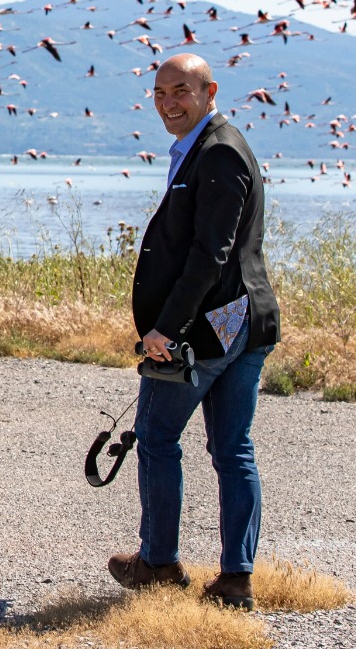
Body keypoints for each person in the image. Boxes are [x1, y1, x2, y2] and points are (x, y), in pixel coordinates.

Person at [107, 52, 280, 611]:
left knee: (158, 440)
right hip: (240, 323)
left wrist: (166, 329)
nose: (168, 103)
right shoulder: (208, 148)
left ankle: (158, 564)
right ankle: (235, 581)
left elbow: (211, 254)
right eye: (159, 93)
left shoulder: (220, 152)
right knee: (233, 449)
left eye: (181, 90)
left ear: (210, 90)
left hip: (210, 329)